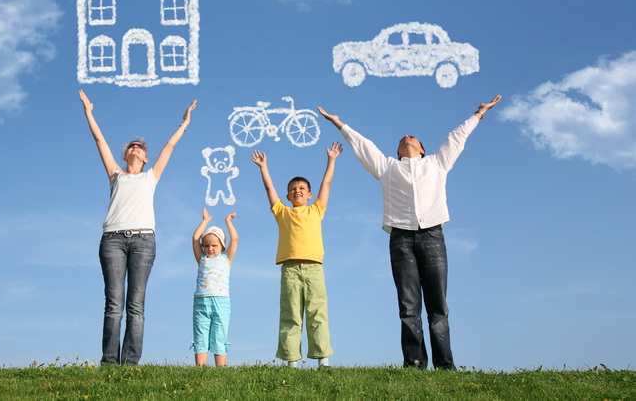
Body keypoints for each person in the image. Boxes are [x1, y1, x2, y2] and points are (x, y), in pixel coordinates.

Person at [317, 96, 502, 370]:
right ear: (399, 151)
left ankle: (445, 366)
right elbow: (363, 145)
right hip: (401, 239)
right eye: (402, 138)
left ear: (423, 150)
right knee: (408, 306)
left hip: (433, 237)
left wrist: (479, 114)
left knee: (438, 306)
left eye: (412, 136)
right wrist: (339, 123)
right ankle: (414, 363)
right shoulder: (387, 167)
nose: (406, 136)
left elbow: (457, 137)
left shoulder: (437, 164)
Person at [79, 89, 197, 365]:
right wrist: (88, 112)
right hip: (112, 240)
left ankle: (130, 363)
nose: (136, 147)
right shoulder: (115, 174)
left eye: (141, 147)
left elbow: (169, 147)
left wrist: (185, 123)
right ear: (125, 156)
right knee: (113, 305)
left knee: (136, 306)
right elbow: (99, 140)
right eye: (132, 146)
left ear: (145, 158)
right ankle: (109, 362)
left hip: (143, 241)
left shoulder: (150, 176)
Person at [251, 142, 343, 368]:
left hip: (314, 269)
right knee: (291, 315)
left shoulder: (316, 209)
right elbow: (269, 190)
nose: (297, 191)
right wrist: (264, 167)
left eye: (302, 188)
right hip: (290, 269)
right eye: (293, 189)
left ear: (310, 194)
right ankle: (291, 362)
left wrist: (331, 160)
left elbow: (327, 183)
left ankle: (323, 361)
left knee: (317, 314)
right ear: (288, 195)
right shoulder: (282, 212)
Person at [191, 208, 238, 367]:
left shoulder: (226, 259)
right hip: (201, 302)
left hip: (221, 302)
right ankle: (200, 367)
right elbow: (195, 238)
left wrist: (228, 222)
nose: (210, 248)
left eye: (214, 245)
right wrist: (205, 221)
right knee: (201, 334)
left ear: (222, 246)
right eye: (206, 245)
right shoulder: (202, 259)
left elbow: (235, 239)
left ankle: (221, 367)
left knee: (219, 334)